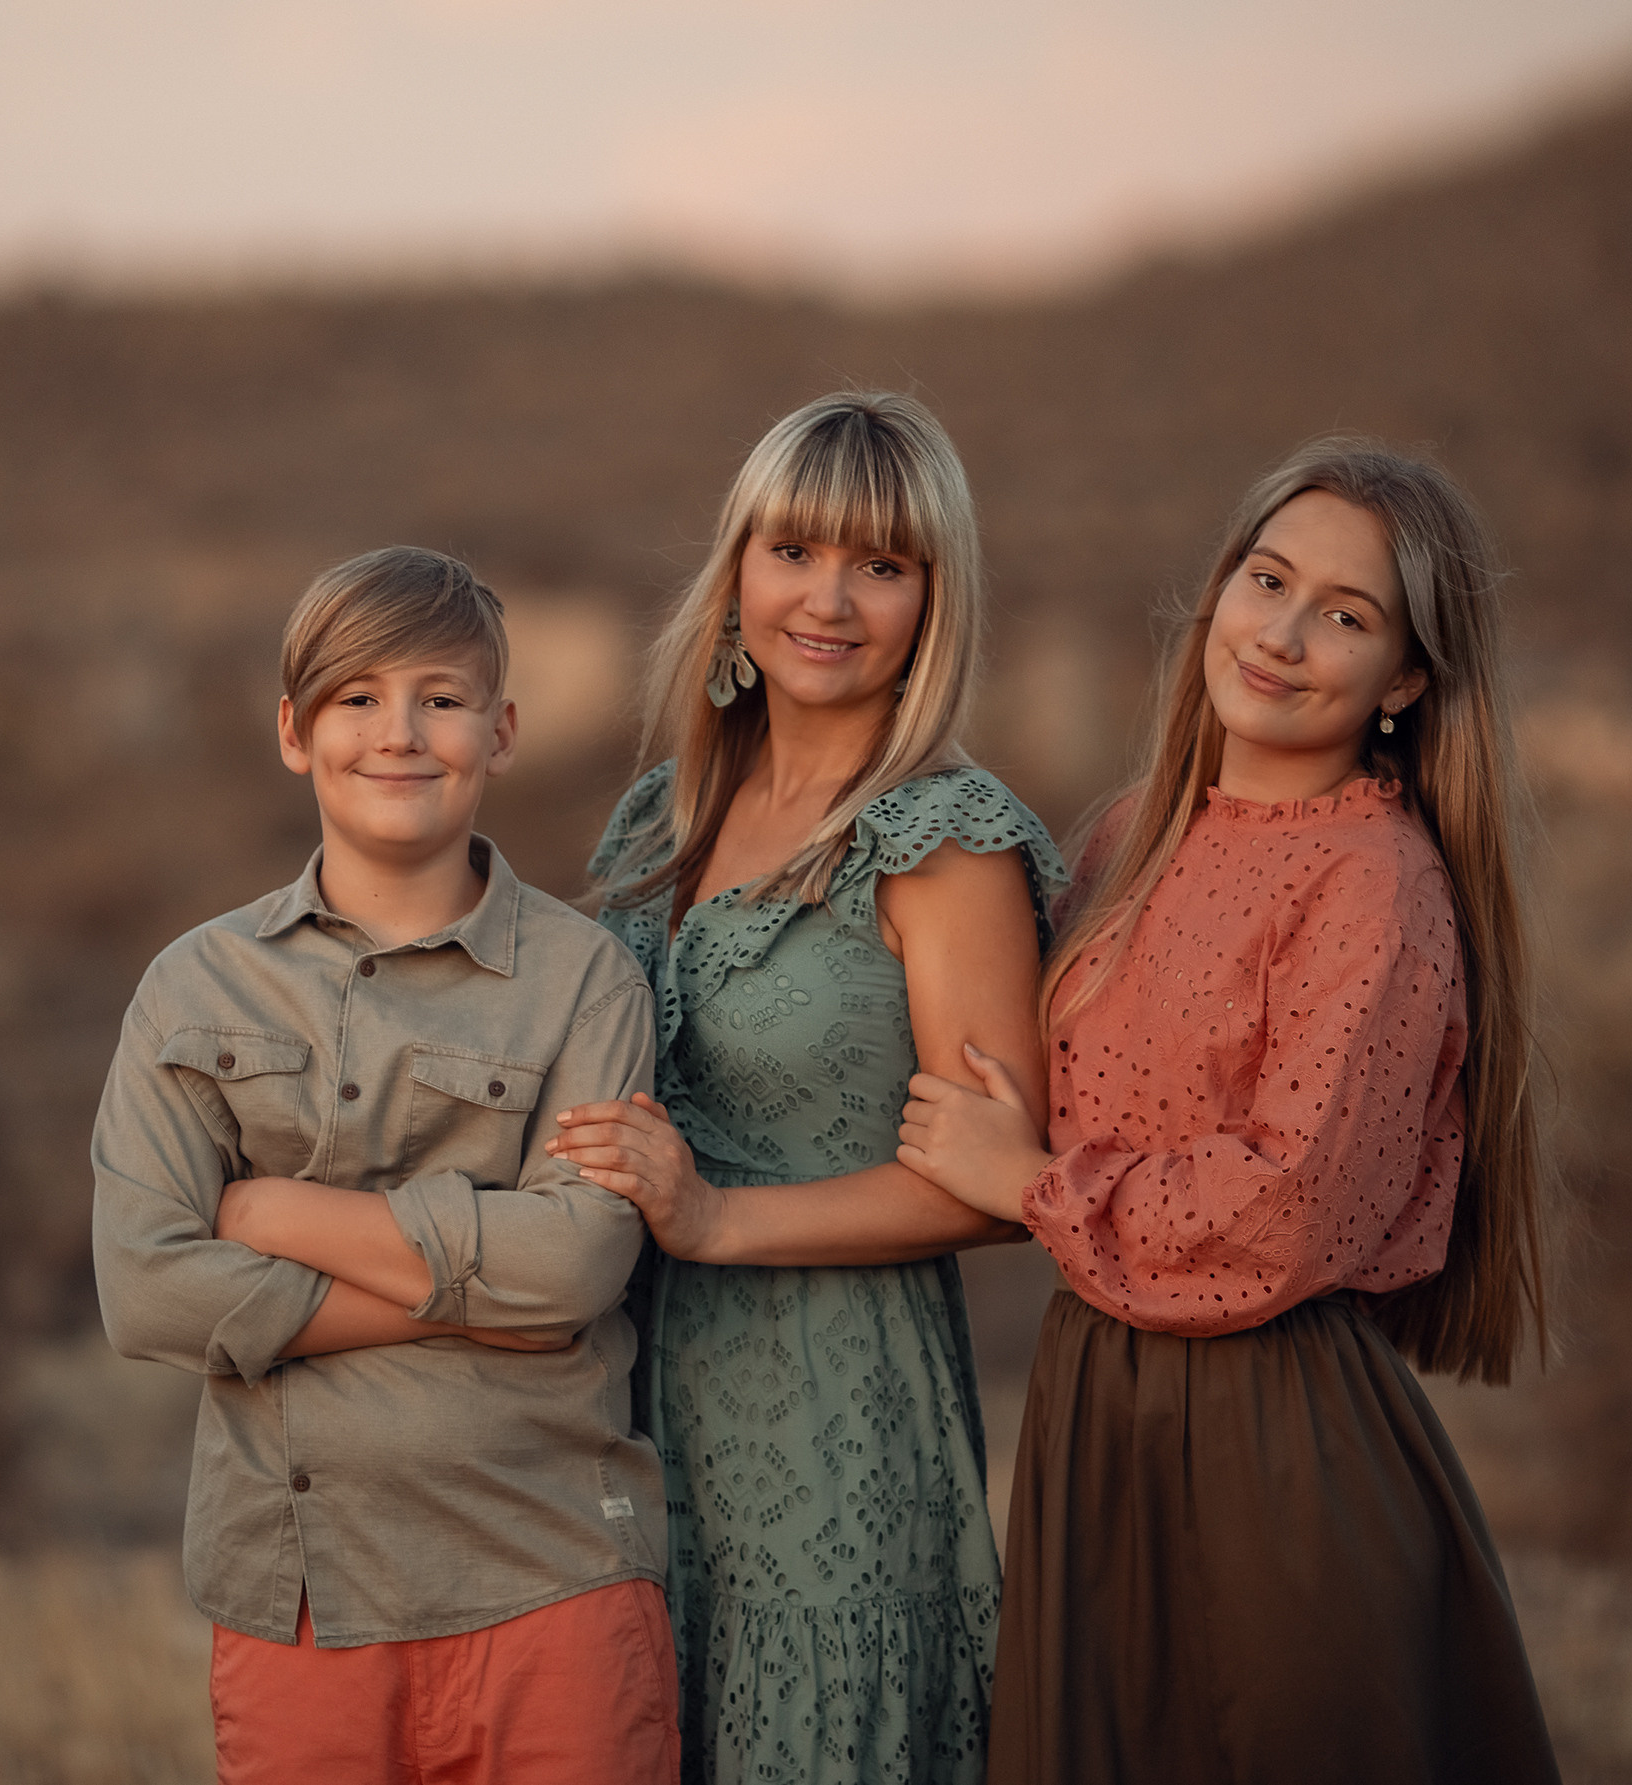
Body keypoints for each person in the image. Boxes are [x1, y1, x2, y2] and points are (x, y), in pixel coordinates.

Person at [897, 440, 1563, 1784]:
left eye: (1345, 614)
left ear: (1407, 681)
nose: (1282, 633)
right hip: (1093, 1413)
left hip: (1269, 1437)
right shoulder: (1125, 834)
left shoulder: (1372, 885)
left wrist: (1024, 1180)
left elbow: (1285, 1205)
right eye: (1266, 580)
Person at [91, 547, 678, 1785]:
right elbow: (146, 1290)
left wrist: (274, 1211)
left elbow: (573, 1264)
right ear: (295, 733)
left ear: (501, 731)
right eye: (357, 699)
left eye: (442, 698)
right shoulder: (193, 987)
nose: (399, 733)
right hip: (302, 1598)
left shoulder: (586, 983)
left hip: (553, 1579)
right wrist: (477, 1298)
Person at [551, 392, 1069, 1785]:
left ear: (930, 602)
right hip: (631, 1403)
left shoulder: (941, 845)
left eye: (879, 565)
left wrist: (715, 1219)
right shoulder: (662, 813)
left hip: (833, 1411)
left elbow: (996, 1186)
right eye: (792, 551)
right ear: (735, 573)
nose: (826, 599)